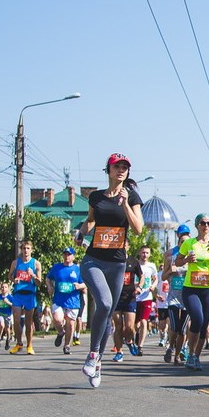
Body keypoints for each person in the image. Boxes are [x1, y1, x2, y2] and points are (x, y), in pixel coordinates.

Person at [76, 153, 145, 389]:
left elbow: (137, 228)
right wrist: (80, 232)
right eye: (117, 167)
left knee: (106, 314)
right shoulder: (95, 196)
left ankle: (97, 363)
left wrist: (125, 203)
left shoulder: (132, 196)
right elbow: (91, 221)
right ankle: (94, 354)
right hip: (93, 259)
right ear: (108, 170)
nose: (121, 170)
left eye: (125, 167)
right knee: (104, 304)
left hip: (117, 263)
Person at [174, 213, 209, 371]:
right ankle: (190, 353)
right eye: (203, 223)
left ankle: (195, 357)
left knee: (204, 324)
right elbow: (177, 262)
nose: (206, 226)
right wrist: (185, 261)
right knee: (197, 318)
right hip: (191, 288)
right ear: (197, 225)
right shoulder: (189, 243)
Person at [162, 224, 191, 366]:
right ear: (178, 243)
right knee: (174, 326)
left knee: (183, 329)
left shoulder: (192, 259)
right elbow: (163, 277)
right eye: (181, 242)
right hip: (174, 298)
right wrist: (170, 271)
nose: (184, 244)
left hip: (187, 298)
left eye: (187, 242)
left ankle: (177, 355)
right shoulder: (171, 257)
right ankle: (170, 347)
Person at [48, 247, 85, 353]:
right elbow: (48, 278)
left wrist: (79, 286)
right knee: (57, 319)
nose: (66, 256)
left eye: (69, 254)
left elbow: (86, 283)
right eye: (65, 254)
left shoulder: (78, 269)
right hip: (59, 299)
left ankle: (67, 345)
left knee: (70, 324)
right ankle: (60, 332)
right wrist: (49, 286)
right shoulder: (57, 267)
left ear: (73, 256)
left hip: (73, 301)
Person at [8, 240, 41, 354]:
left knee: (28, 322)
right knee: (16, 320)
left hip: (30, 295)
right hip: (18, 294)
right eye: (24, 248)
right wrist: (14, 280)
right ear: (21, 250)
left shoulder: (36, 263)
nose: (26, 251)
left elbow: (39, 283)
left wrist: (33, 275)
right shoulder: (16, 263)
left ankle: (29, 345)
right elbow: (10, 275)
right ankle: (19, 343)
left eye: (28, 248)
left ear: (31, 250)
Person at [111, 250, 143, 363]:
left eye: (125, 244)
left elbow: (141, 276)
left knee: (129, 327)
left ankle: (129, 341)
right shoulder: (113, 260)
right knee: (118, 326)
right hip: (117, 297)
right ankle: (119, 352)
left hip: (130, 297)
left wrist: (139, 287)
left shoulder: (133, 261)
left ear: (128, 246)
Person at [133, 246, 157, 356]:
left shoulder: (152, 266)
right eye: (143, 252)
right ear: (139, 253)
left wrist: (153, 286)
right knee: (134, 324)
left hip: (146, 297)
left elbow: (155, 278)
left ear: (150, 254)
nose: (145, 255)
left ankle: (140, 346)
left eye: (147, 253)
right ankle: (135, 336)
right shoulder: (134, 265)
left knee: (143, 321)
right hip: (134, 297)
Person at [0, 283, 13, 348]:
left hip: (8, 314)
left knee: (7, 328)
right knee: (1, 325)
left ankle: (8, 340)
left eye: (5, 287)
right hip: (0, 314)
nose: (3, 288)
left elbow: (14, 306)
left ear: (8, 288)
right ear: (0, 288)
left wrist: (8, 302)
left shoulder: (10, 297)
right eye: (2, 287)